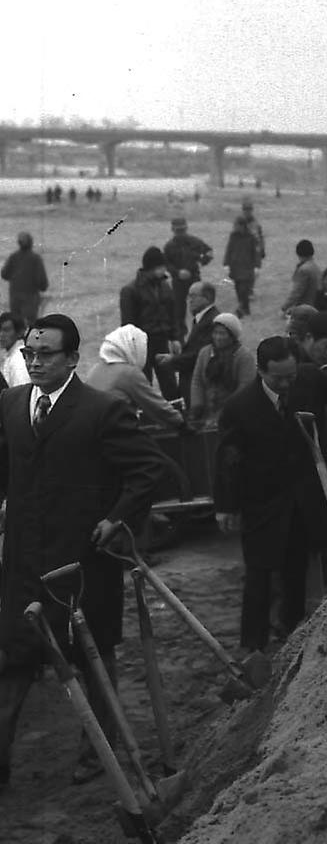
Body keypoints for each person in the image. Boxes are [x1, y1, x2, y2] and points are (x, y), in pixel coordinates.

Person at [0, 314, 170, 790]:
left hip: (81, 564)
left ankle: (97, 753)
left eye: (46, 354)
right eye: (29, 354)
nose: (34, 361)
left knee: (93, 660)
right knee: (12, 661)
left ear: (73, 358)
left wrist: (116, 518)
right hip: (23, 564)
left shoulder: (102, 409)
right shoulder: (12, 404)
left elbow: (149, 469)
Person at [213, 337, 327, 653]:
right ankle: (253, 648)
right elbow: (227, 459)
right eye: (279, 378)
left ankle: (289, 634)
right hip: (263, 504)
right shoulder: (239, 408)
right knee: (259, 577)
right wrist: (226, 506)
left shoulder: (309, 381)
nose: (288, 383)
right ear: (261, 371)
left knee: (296, 573)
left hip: (304, 501)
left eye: (291, 376)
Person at [84, 324, 185, 429]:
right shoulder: (129, 374)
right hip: (113, 431)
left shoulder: (96, 370)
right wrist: (181, 423)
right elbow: (155, 405)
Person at [120, 247, 180, 392]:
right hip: (141, 345)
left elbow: (172, 315)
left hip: (162, 341)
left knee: (170, 382)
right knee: (144, 385)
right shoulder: (130, 290)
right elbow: (128, 323)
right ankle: (146, 414)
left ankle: (175, 411)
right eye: (161, 267)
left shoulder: (165, 287)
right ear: (151, 267)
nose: (164, 270)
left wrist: (175, 338)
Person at [153, 280, 219, 405]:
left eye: (193, 296)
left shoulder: (211, 322)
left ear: (207, 298)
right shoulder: (201, 319)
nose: (189, 300)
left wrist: (173, 359)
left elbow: (199, 355)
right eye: (188, 296)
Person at [189, 314, 257, 427]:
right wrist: (197, 406)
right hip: (209, 412)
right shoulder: (205, 353)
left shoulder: (243, 356)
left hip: (236, 413)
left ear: (232, 336)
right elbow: (197, 382)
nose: (218, 337)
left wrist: (225, 411)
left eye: (222, 333)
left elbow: (245, 387)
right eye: (215, 333)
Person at [163, 217, 213, 339]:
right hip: (178, 282)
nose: (180, 233)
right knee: (178, 310)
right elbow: (166, 263)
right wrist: (177, 272)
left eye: (182, 230)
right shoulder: (169, 246)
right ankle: (180, 336)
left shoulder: (195, 242)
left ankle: (200, 333)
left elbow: (209, 252)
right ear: (173, 230)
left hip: (194, 280)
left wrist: (200, 263)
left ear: (186, 229)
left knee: (199, 307)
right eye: (178, 231)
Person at [1, 234, 48, 328]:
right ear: (31, 243)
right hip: (30, 298)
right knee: (29, 324)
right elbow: (41, 280)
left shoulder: (13, 257)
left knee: (16, 324)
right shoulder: (35, 259)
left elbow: (4, 274)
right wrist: (43, 287)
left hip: (15, 297)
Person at [223, 215, 261, 318]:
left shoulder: (251, 237)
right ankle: (246, 309)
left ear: (242, 226)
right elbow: (229, 249)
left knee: (244, 289)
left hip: (247, 267)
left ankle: (240, 309)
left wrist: (257, 266)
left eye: (236, 225)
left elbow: (256, 253)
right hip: (235, 267)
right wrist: (226, 263)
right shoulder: (233, 236)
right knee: (238, 289)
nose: (234, 227)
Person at [280, 240, 322, 314]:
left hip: (306, 309)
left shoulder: (303, 270)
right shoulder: (316, 267)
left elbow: (296, 292)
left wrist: (284, 307)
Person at [0, 314, 29, 389]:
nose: (1, 334)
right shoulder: (10, 355)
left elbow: (21, 391)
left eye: (6, 330)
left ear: (19, 332)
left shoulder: (19, 358)